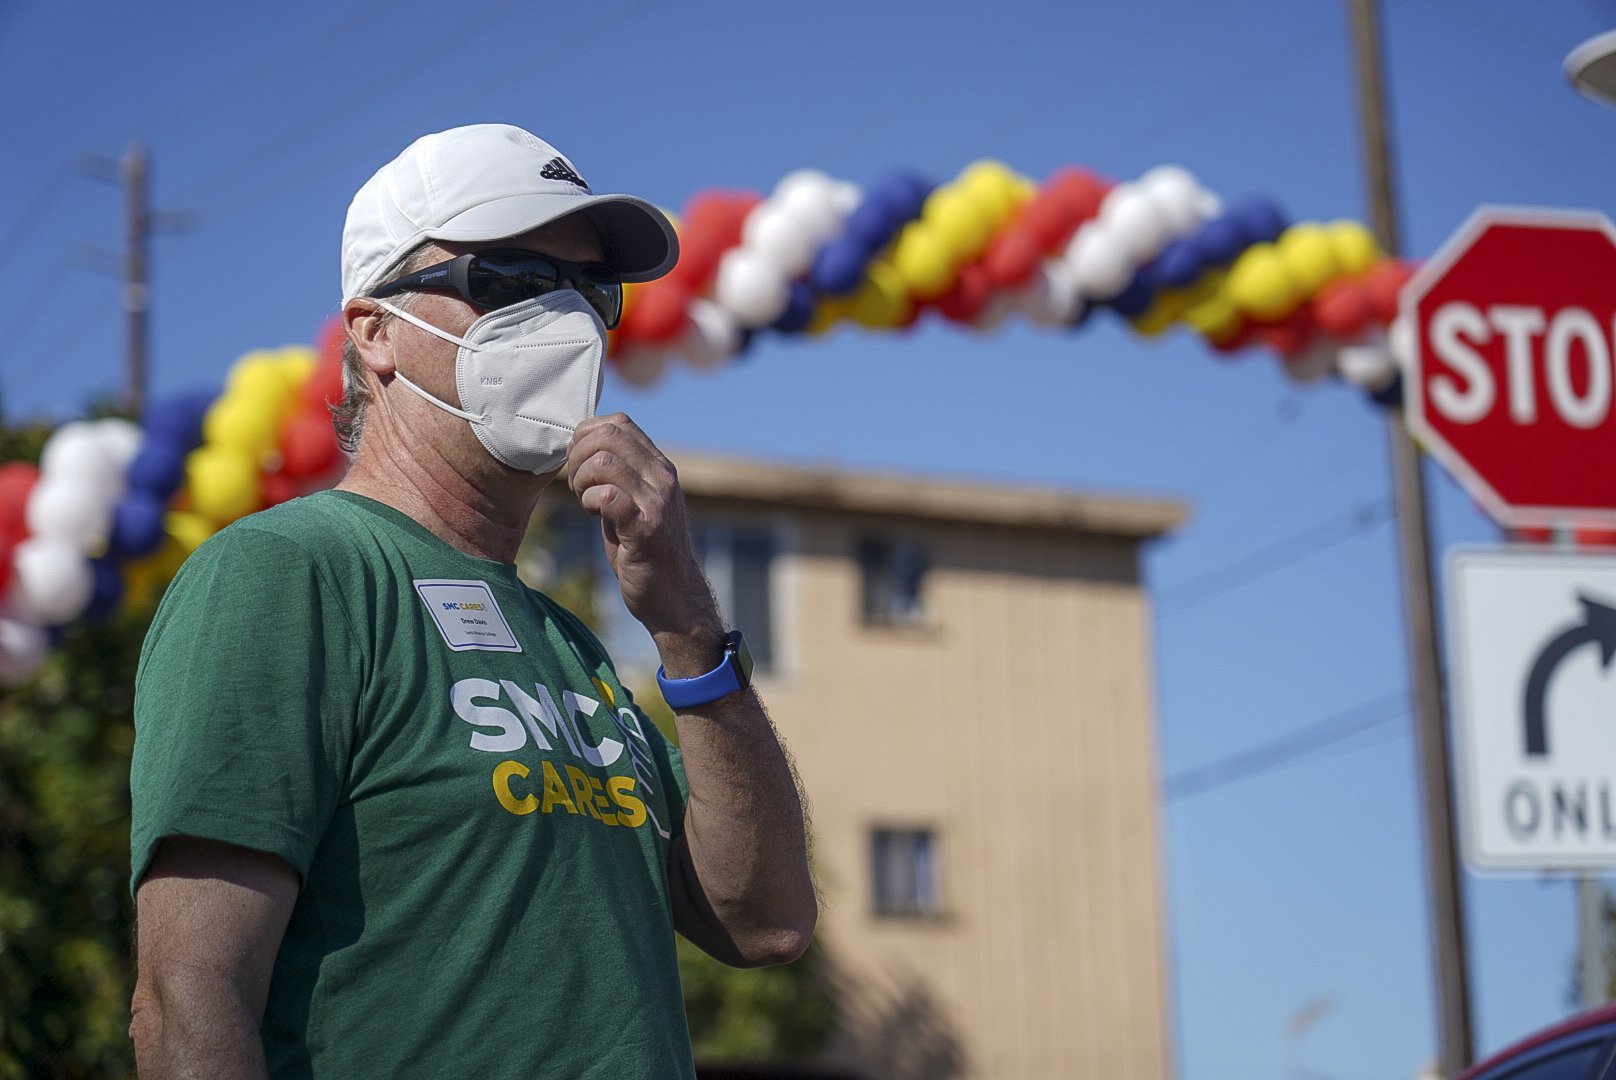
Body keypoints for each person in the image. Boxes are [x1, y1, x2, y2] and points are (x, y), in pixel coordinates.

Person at [128, 123, 817, 1079]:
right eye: (509, 281)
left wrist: (689, 628)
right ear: (375, 334)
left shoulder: (568, 643)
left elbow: (769, 921)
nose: (567, 320)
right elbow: (187, 997)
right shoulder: (291, 575)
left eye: (590, 291)